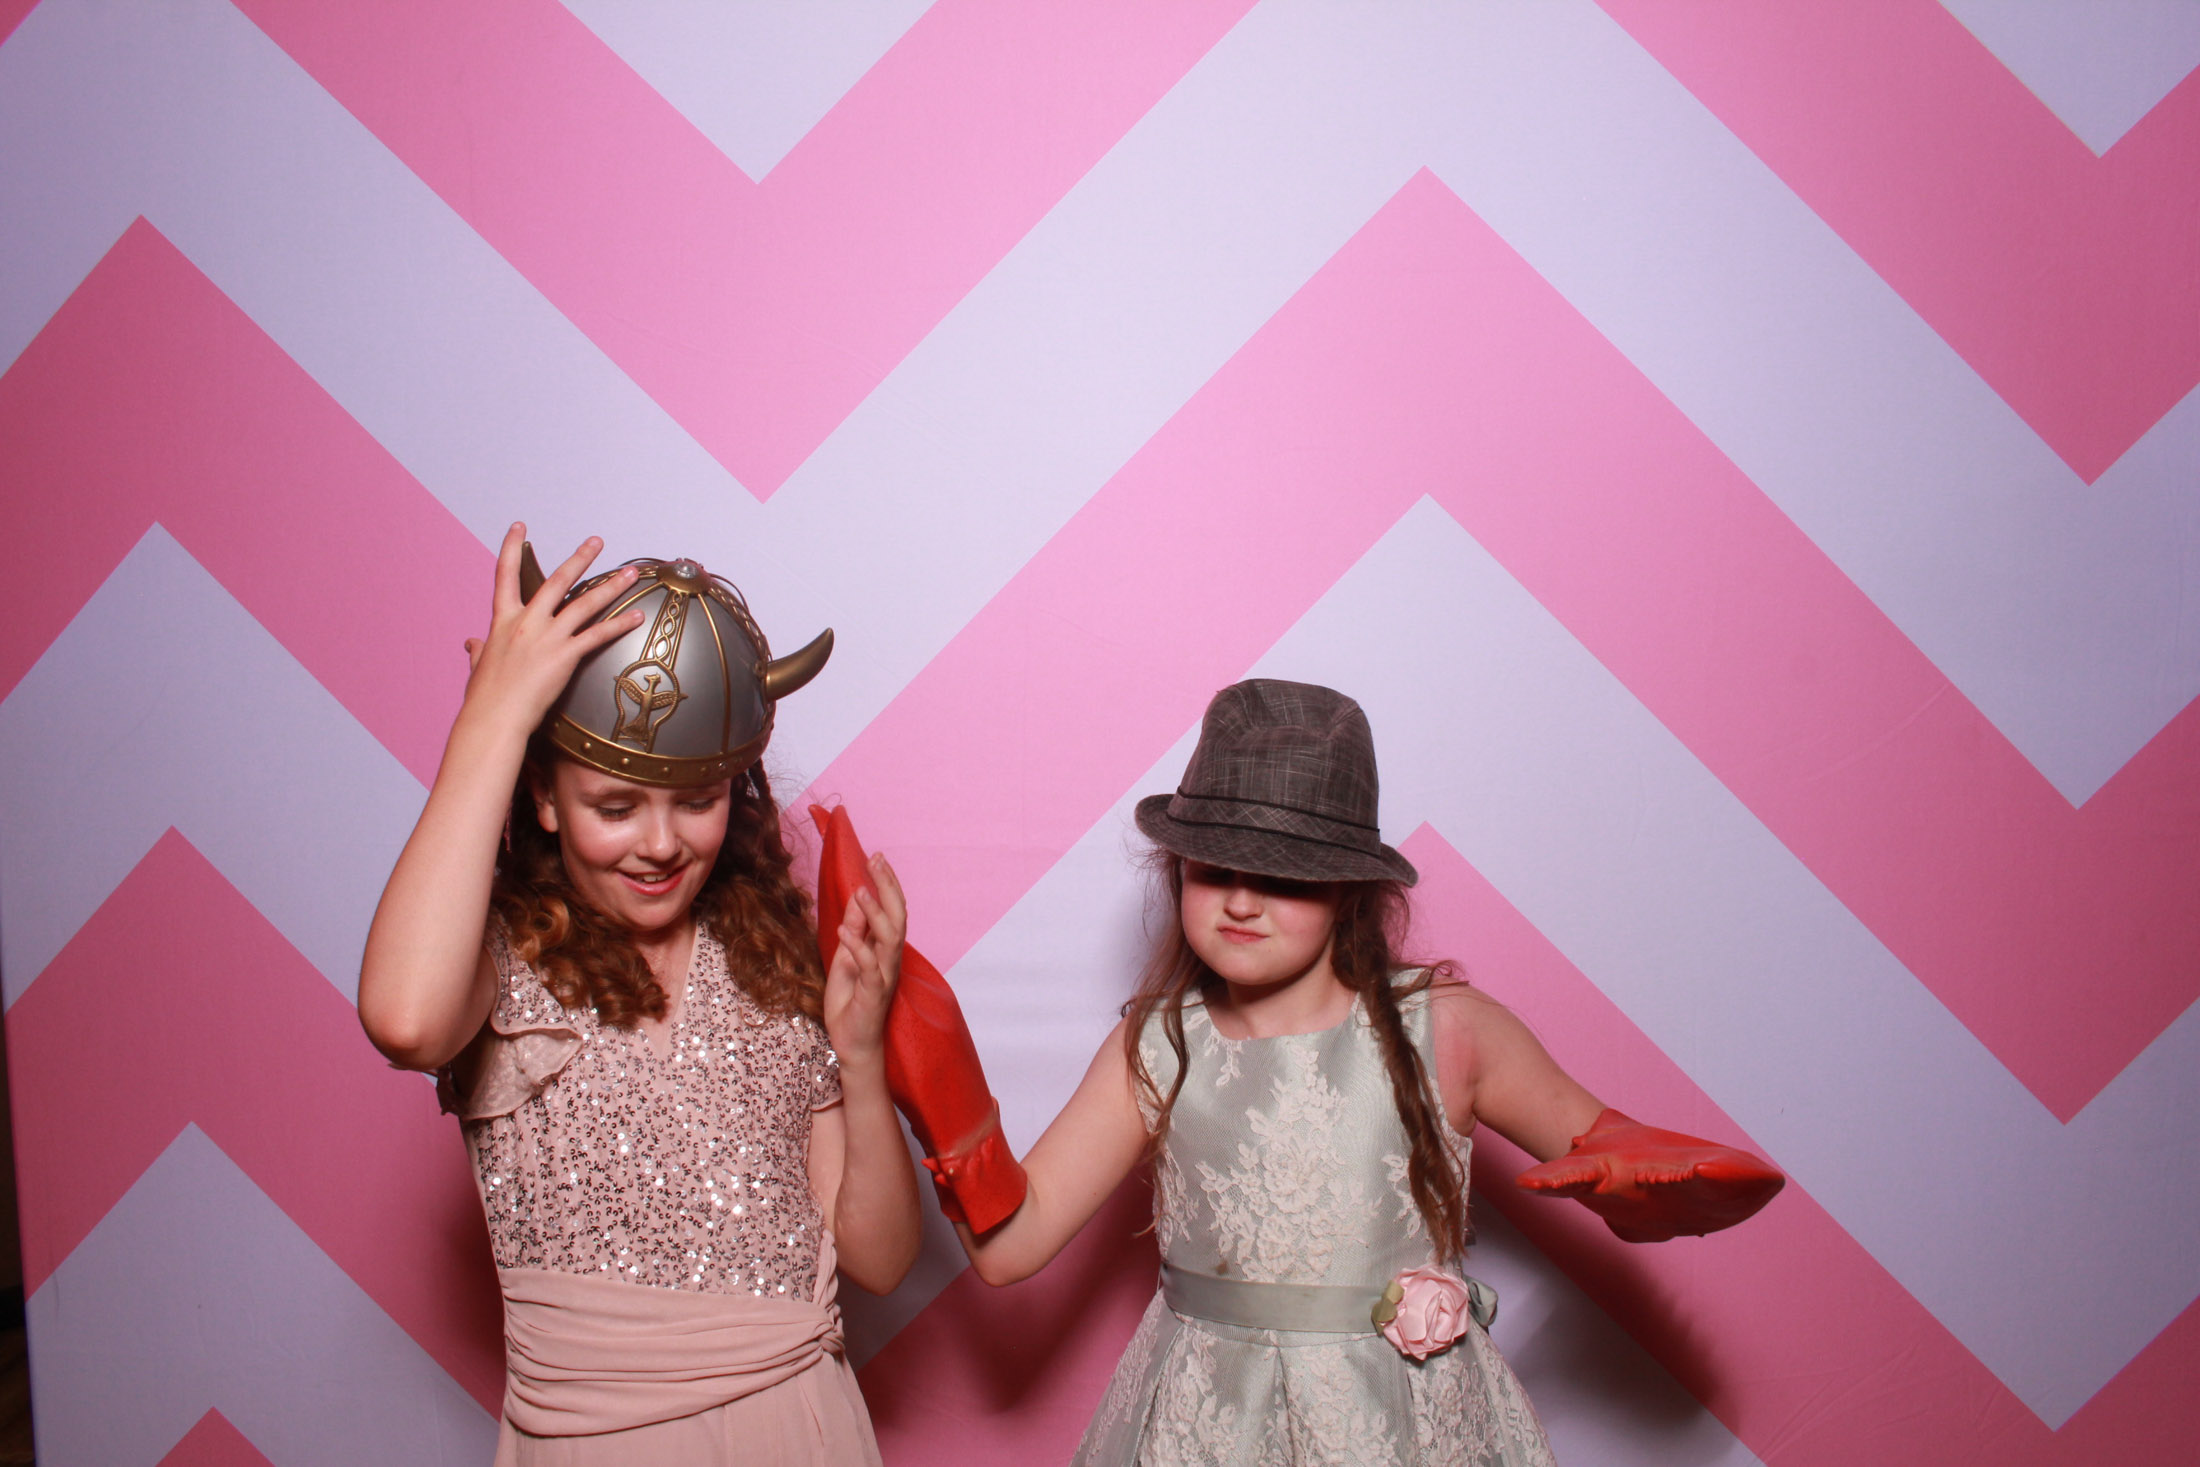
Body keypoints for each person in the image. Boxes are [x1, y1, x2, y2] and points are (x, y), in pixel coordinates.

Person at [941, 678, 1783, 1466]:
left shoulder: (1448, 1030)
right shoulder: (1155, 1045)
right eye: (1213, 867)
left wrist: (1646, 1188)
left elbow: (1608, 1146)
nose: (1241, 899)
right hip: (1203, 1425)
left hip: (1401, 1423)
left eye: (1281, 873)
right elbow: (1012, 1247)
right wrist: (933, 1081)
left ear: (1348, 886)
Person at [358, 528, 922, 1466]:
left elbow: (882, 1257)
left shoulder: (770, 963)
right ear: (545, 796)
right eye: (615, 807)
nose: (661, 843)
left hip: (797, 1430)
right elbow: (405, 1021)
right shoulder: (499, 963)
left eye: (697, 800)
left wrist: (860, 1057)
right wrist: (493, 721)